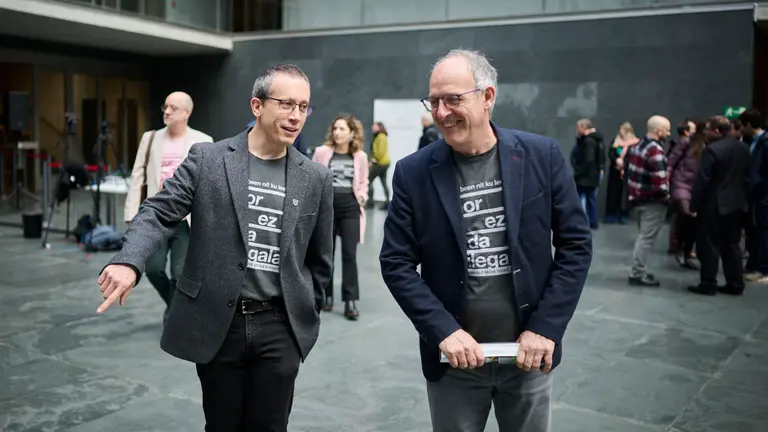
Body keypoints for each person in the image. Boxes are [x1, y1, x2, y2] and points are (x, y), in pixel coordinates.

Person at [96, 64, 334, 431]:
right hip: (219, 325)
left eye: (304, 106)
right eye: (286, 104)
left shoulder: (315, 177)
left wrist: (305, 313)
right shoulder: (209, 159)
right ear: (257, 105)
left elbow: (320, 259)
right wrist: (130, 261)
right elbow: (159, 212)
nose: (296, 116)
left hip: (280, 325)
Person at [379, 49, 593, 432]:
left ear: (487, 97)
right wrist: (443, 330)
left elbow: (575, 245)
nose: (441, 112)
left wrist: (545, 327)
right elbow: (396, 263)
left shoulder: (541, 156)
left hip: (529, 355)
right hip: (455, 362)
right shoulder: (413, 173)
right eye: (435, 101)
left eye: (453, 99)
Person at [123, 91, 213, 324]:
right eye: (166, 106)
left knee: (180, 273)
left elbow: (209, 185)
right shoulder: (151, 138)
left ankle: (172, 314)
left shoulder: (203, 141)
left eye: (174, 108)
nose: (167, 111)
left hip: (186, 220)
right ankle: (175, 308)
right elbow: (138, 177)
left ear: (187, 113)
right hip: (157, 216)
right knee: (152, 269)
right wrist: (131, 214)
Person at [312, 114, 369, 319]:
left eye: (342, 129)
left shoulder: (359, 156)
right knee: (327, 254)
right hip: (328, 209)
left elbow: (363, 182)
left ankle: (351, 300)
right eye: (335, 128)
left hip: (350, 209)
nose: (337, 132)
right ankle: (325, 296)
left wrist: (361, 198)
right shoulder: (322, 152)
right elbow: (314, 177)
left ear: (352, 133)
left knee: (349, 255)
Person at [689, 115, 750, 295]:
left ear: (716, 131)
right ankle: (735, 284)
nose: (705, 133)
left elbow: (703, 181)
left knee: (709, 246)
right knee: (732, 246)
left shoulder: (712, 150)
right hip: (738, 204)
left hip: (713, 206)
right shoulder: (744, 148)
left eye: (708, 129)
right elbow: (747, 177)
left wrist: (694, 205)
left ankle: (708, 283)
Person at [625, 115, 672, 287]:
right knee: (646, 239)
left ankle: (640, 270)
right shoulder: (656, 151)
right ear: (658, 131)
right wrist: (668, 197)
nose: (668, 133)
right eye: (667, 129)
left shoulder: (637, 145)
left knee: (642, 237)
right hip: (653, 202)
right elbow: (661, 183)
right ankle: (637, 273)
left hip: (637, 199)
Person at [368, 121, 390, 209]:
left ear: (379, 127)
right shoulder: (381, 136)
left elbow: (379, 152)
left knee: (368, 180)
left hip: (379, 163)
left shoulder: (380, 137)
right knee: (383, 181)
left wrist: (373, 161)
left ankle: (370, 202)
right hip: (384, 163)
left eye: (374, 126)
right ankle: (387, 201)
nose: (372, 127)